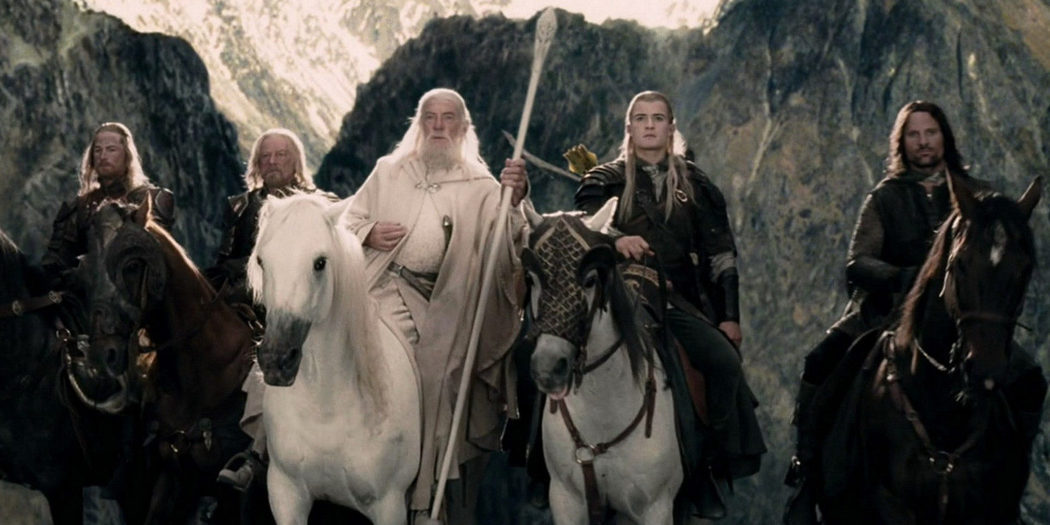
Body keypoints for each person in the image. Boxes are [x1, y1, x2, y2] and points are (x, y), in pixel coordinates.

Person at [783, 101, 986, 521]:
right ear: (902, 142)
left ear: (944, 136)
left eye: (930, 132)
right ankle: (807, 473)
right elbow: (858, 261)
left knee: (1024, 376)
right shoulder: (885, 197)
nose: (923, 142)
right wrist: (905, 277)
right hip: (887, 312)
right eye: (914, 134)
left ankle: (1008, 478)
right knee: (820, 361)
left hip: (960, 318)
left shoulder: (974, 195)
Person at [575, 90, 766, 518]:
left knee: (724, 362)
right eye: (641, 118)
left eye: (657, 118)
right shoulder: (603, 181)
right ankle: (540, 461)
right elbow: (583, 231)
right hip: (613, 300)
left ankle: (706, 465)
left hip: (677, 300)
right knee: (550, 352)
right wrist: (615, 239)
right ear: (629, 127)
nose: (649, 125)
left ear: (670, 126)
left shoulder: (697, 184)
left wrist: (729, 317)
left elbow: (721, 254)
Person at [344, 88, 527, 524]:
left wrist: (515, 199)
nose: (439, 126)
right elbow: (345, 219)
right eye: (430, 117)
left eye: (448, 118)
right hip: (373, 282)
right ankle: (268, 453)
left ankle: (424, 495)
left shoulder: (482, 186)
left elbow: (508, 246)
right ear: (419, 124)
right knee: (317, 337)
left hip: (440, 302)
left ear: (463, 128)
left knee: (438, 375)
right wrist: (368, 232)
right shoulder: (388, 170)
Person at [214, 128, 336, 490]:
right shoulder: (240, 206)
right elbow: (226, 260)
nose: (272, 162)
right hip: (247, 302)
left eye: (280, 155)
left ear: (296, 161)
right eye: (265, 157)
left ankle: (258, 453)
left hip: (301, 309)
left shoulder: (321, 203)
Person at [42, 122, 175, 283]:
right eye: (98, 150)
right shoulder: (81, 207)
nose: (103, 156)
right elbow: (55, 262)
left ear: (127, 155)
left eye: (111, 149)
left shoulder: (152, 200)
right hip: (88, 291)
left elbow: (156, 258)